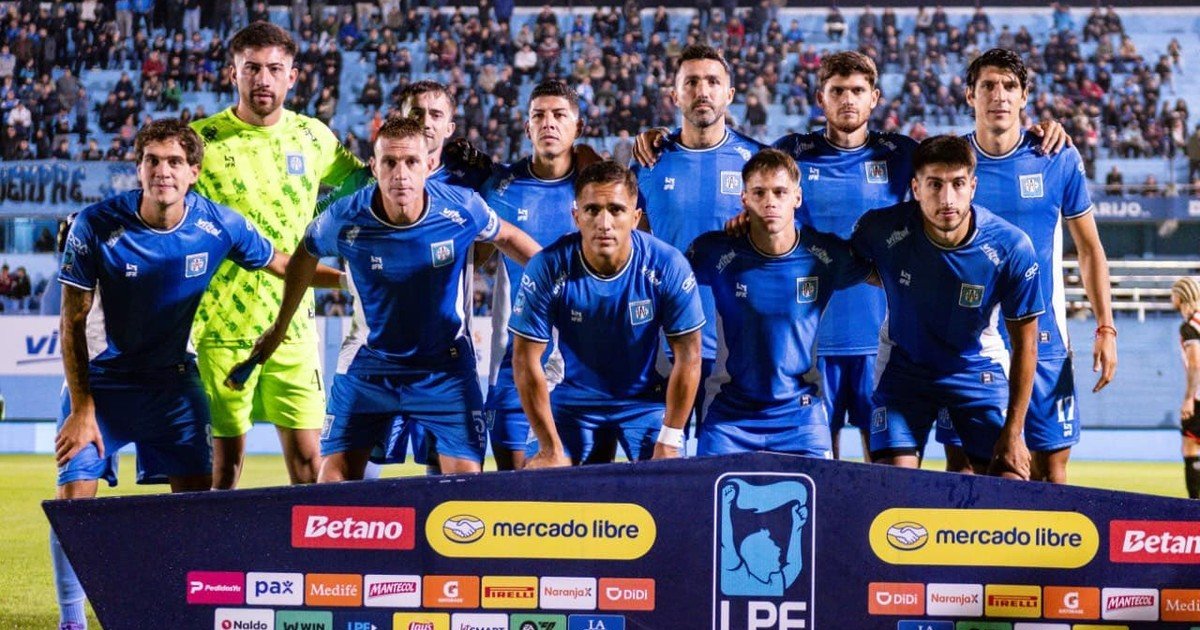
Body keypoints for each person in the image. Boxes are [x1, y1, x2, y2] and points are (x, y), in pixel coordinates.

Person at [50, 119, 336, 630]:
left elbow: (285, 264)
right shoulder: (95, 225)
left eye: (175, 162)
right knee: (73, 503)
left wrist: (360, 276)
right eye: (152, 161)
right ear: (138, 168)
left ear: (194, 172)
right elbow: (71, 322)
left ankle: (185, 614)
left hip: (174, 385)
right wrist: (81, 408)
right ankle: (71, 621)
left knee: (199, 509)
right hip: (103, 385)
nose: (163, 171)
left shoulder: (219, 225)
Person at [238, 117, 540, 481]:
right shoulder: (345, 217)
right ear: (374, 166)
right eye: (390, 162)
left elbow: (507, 237)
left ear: (429, 164)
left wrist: (561, 280)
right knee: (330, 485)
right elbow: (305, 254)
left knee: (465, 487)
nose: (401, 174)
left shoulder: (462, 207)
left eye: (411, 162)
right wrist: (279, 326)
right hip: (370, 365)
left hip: (445, 368)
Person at [189, 22, 366, 490]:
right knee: (222, 471)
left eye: (274, 68)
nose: (262, 79)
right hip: (219, 329)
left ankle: (304, 544)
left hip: (293, 328)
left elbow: (367, 184)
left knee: (309, 465)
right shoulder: (200, 141)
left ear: (292, 76)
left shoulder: (314, 137)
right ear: (233, 73)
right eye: (251, 68)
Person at [937, 48, 1116, 483]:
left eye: (1009, 86)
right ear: (969, 95)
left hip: (1046, 341)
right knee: (964, 470)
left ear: (1025, 96)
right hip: (967, 346)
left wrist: (1106, 327)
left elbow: (1089, 249)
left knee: (1050, 472)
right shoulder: (948, 163)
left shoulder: (1057, 157)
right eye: (988, 86)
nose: (999, 95)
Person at [850, 135, 1044, 479]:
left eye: (957, 184)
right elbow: (840, 263)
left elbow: (1027, 344)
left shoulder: (1011, 247)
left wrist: (1014, 433)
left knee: (1009, 480)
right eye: (935, 185)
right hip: (904, 368)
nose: (947, 199)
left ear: (973, 186)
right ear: (916, 188)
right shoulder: (880, 228)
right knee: (891, 483)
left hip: (975, 368)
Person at [770, 52, 916, 462]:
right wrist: (659, 137)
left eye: (857, 90)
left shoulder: (902, 154)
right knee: (817, 473)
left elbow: (962, 160)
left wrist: (1040, 130)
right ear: (821, 97)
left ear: (875, 98)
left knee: (888, 472)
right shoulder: (791, 153)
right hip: (809, 341)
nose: (848, 99)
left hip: (882, 340)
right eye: (837, 91)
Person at [509, 161, 704, 467]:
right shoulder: (548, 266)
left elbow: (690, 356)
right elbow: (525, 360)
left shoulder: (667, 265)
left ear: (635, 217)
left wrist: (669, 440)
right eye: (592, 210)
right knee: (542, 480)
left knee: (668, 482)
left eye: (616, 210)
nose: (604, 223)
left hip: (643, 403)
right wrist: (548, 446)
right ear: (576, 216)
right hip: (572, 401)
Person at [688, 149, 869, 457]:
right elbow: (664, 280)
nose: (769, 201)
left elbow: (887, 273)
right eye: (759, 193)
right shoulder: (714, 250)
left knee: (825, 489)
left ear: (797, 197)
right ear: (744, 199)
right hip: (729, 416)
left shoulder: (826, 254)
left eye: (780, 192)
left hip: (802, 413)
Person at [630, 44, 765, 443]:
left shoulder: (758, 163)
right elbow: (633, 247)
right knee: (660, 464)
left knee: (719, 467)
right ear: (675, 95)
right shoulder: (649, 162)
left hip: (734, 350)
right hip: (663, 345)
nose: (702, 91)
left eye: (712, 81)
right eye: (691, 82)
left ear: (730, 93)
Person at [478, 79, 582, 470]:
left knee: (578, 480)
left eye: (559, 115)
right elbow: (473, 254)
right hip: (519, 351)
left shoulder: (596, 187)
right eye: (539, 115)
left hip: (584, 352)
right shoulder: (499, 187)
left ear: (578, 127)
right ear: (527, 127)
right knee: (512, 476)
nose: (548, 123)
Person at [1173, 277, 1200, 499]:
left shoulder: (1189, 327)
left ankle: (1194, 506)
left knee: (1190, 446)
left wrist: (1189, 397)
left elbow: (1195, 363)